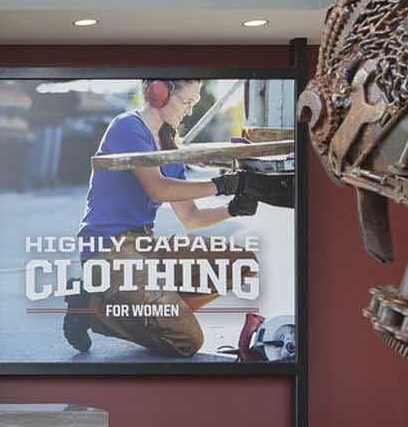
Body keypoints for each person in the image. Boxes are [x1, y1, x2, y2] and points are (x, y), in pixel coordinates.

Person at [62, 79, 289, 357]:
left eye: (194, 103)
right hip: (109, 250)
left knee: (241, 263)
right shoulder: (127, 127)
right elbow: (157, 188)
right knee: (186, 341)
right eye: (186, 102)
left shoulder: (170, 145)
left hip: (146, 245)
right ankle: (93, 309)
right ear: (158, 93)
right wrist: (224, 185)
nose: (190, 111)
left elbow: (191, 217)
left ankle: (152, 305)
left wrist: (234, 208)